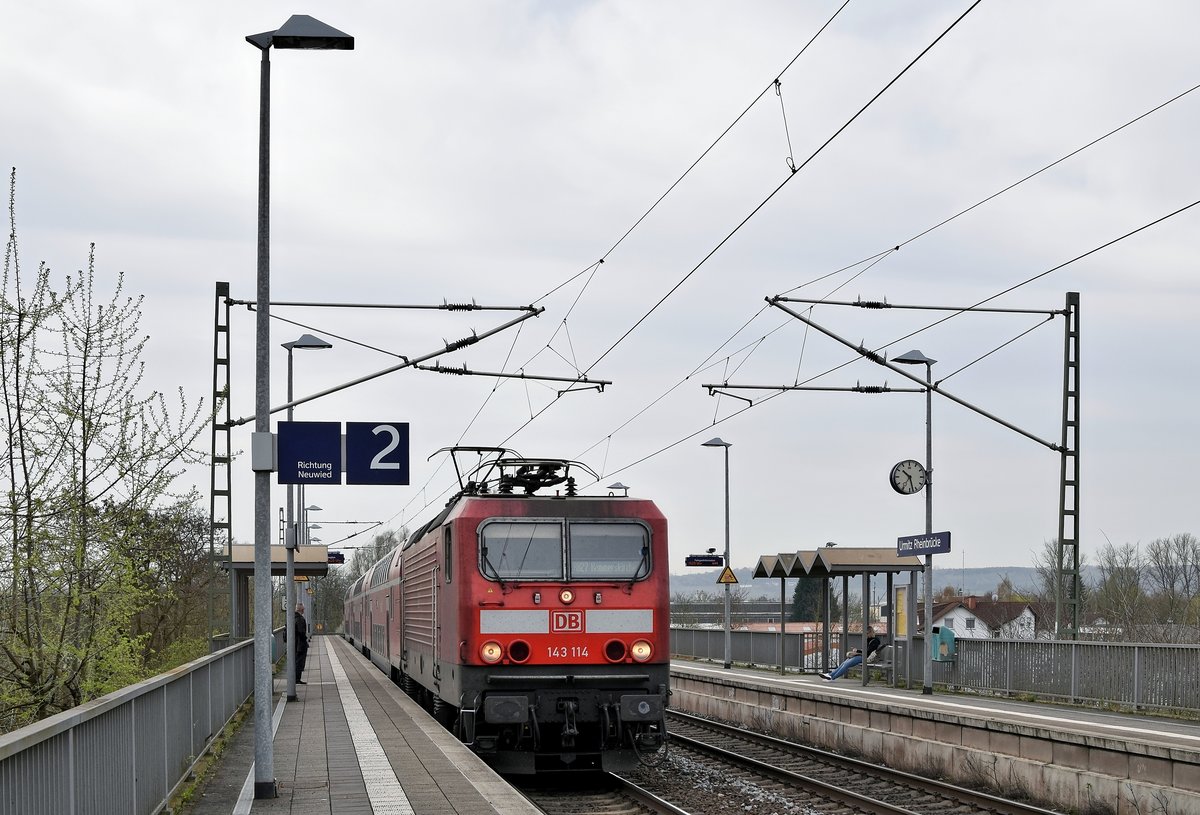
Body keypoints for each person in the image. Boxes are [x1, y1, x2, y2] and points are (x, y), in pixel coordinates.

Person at [293, 603, 309, 685]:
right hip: (299, 644)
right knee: (299, 662)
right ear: (301, 610)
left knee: (296, 661)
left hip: (294, 643)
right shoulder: (300, 619)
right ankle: (297, 679)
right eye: (303, 609)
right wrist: (305, 639)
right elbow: (301, 632)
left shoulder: (292, 617)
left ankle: (296, 678)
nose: (304, 611)